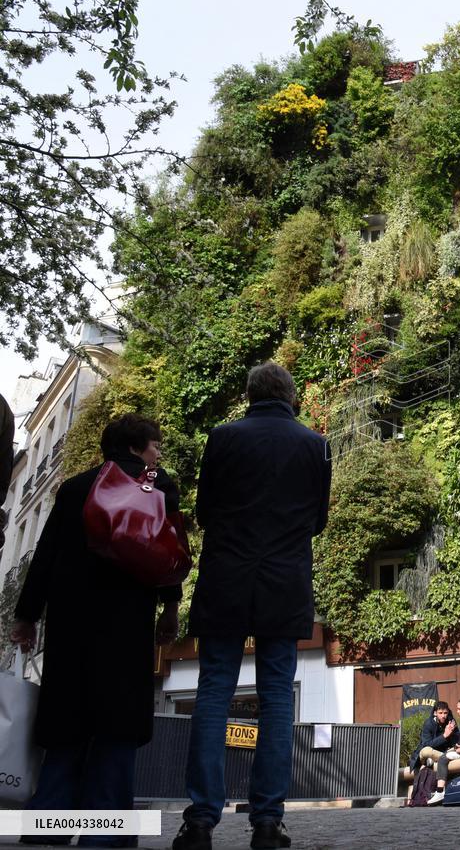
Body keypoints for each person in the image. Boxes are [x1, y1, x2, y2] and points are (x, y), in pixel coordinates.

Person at [173, 364, 332, 850]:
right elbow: (318, 520)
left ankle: (200, 820)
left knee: (214, 690)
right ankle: (267, 822)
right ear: (291, 396)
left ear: (249, 395)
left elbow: (204, 512)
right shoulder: (316, 445)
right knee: (278, 697)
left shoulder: (222, 438)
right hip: (284, 581)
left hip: (226, 577)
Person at [9, 415, 182, 848]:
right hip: (125, 626)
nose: (159, 454)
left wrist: (27, 615)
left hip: (71, 626)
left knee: (67, 724)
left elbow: (45, 556)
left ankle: (47, 823)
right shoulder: (157, 486)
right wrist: (170, 608)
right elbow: (169, 551)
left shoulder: (73, 488)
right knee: (115, 729)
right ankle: (105, 834)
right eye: (156, 446)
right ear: (139, 447)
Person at [410, 701, 460, 773]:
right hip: (431, 751)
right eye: (440, 713)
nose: (443, 716)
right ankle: (445, 757)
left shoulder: (451, 722)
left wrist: (452, 733)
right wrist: (444, 736)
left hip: (445, 751)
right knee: (426, 751)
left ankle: (440, 758)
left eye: (445, 713)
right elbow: (426, 744)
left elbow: (456, 741)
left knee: (458, 749)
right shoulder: (428, 723)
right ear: (435, 713)